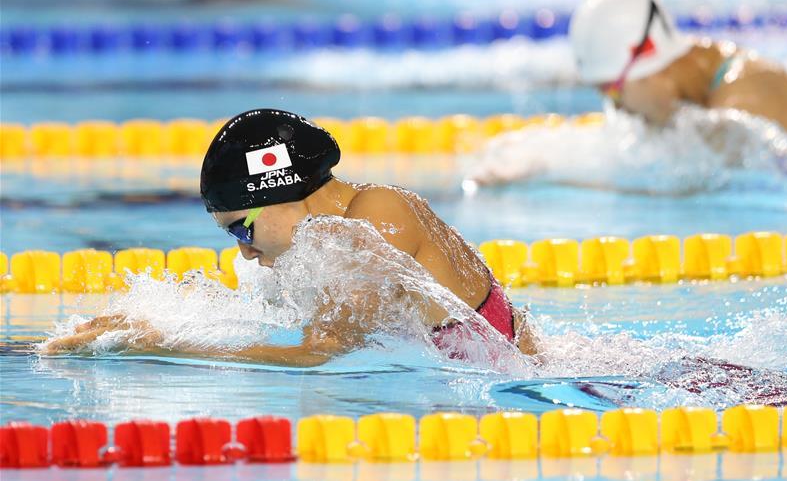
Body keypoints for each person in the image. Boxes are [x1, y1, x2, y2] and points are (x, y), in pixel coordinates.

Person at [43, 109, 539, 365]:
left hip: (512, 401)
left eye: (242, 226)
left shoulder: (375, 216)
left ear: (282, 194)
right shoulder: (330, 240)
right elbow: (278, 325)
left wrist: (162, 345)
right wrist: (146, 321)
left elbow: (317, 352)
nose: (244, 249)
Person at [567, 0, 787, 187]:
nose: (617, 108)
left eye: (611, 89)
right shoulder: (711, 69)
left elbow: (685, 192)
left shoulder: (742, 102)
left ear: (648, 63)